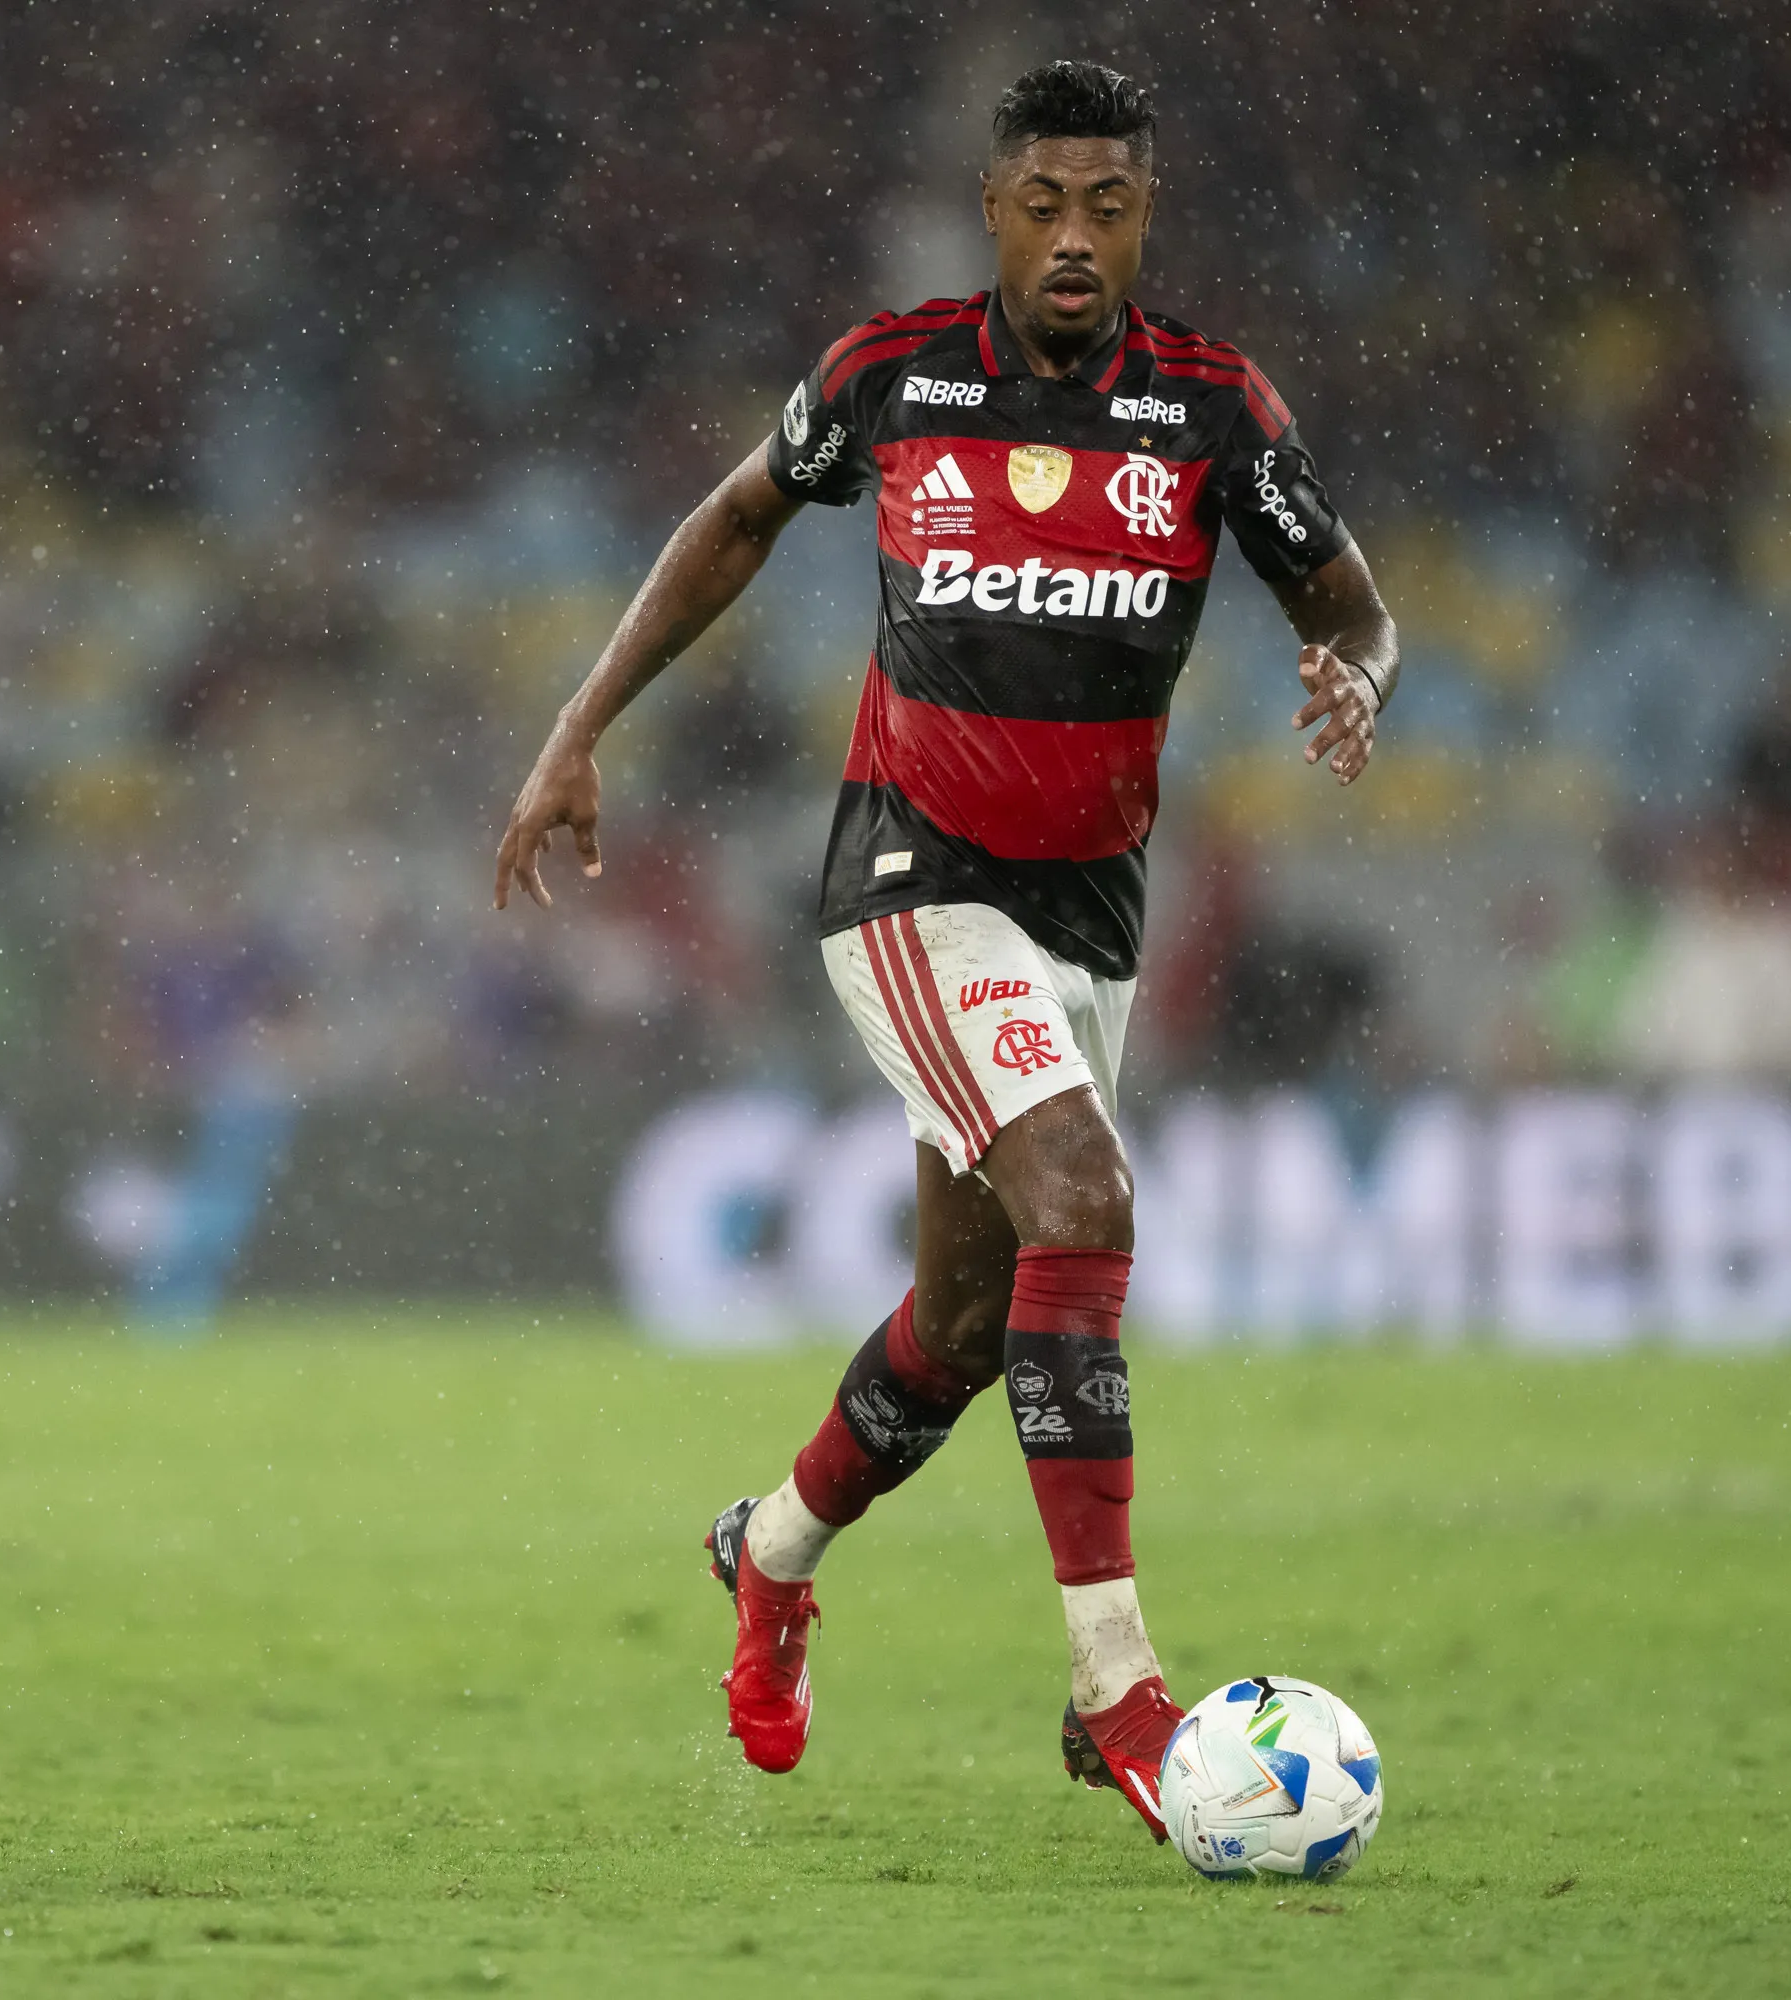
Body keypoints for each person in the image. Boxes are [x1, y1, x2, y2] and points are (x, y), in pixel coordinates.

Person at [491, 60, 1396, 1843]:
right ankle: (1121, 1696)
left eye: (1109, 204)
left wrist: (1360, 672)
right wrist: (581, 721)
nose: (1075, 236)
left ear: (1148, 213)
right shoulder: (892, 375)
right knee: (1087, 1201)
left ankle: (767, 1552)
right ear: (993, 210)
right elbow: (739, 515)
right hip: (911, 878)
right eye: (1043, 201)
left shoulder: (1214, 414)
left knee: (971, 1321)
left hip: (1090, 912)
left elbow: (1350, 601)